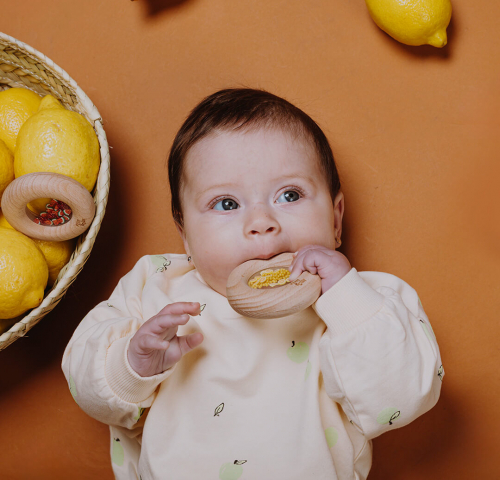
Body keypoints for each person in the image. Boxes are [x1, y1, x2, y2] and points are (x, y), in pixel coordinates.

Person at [62, 88, 443, 480]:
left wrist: (346, 299)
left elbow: (401, 400)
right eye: (227, 204)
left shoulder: (361, 302)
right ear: (186, 235)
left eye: (289, 195)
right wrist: (131, 365)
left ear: (335, 218)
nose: (261, 222)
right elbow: (88, 387)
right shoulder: (157, 284)